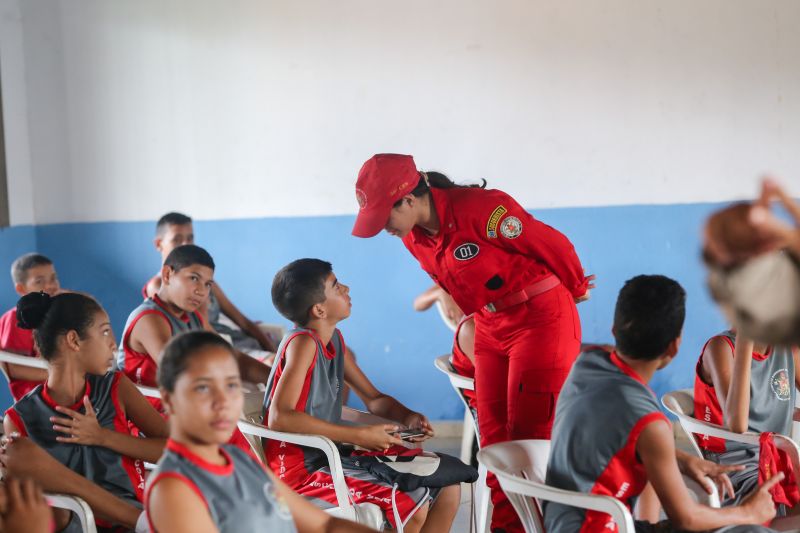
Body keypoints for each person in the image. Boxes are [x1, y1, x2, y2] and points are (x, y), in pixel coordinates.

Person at [352, 153, 593, 533]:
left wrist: (575, 288)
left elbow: (551, 243)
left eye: (386, 217)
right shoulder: (413, 237)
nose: (384, 228)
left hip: (540, 318)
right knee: (495, 443)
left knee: (530, 438)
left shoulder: (482, 209)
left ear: (409, 200)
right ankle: (505, 528)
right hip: (492, 324)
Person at [545, 275, 785, 533]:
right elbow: (687, 519)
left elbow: (622, 438)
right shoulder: (651, 423)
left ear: (615, 329)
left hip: (561, 520)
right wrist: (749, 512)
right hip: (599, 526)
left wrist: (681, 458)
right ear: (674, 347)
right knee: (752, 530)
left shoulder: (586, 359)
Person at [263, 259, 465, 532]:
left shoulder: (334, 340)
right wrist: (358, 436)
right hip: (301, 469)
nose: (346, 288)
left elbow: (374, 399)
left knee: (448, 485)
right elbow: (279, 418)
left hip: (334, 453)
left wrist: (407, 416)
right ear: (319, 309)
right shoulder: (302, 343)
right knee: (408, 500)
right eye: (336, 286)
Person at [145, 330, 375, 533]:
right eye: (203, 388)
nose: (223, 401)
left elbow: (325, 525)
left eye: (231, 385)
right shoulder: (173, 488)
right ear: (169, 399)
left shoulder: (237, 460)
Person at [2, 291, 168, 531]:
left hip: (139, 524)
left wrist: (103, 437)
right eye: (104, 331)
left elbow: (173, 452)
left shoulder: (117, 387)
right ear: (74, 340)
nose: (113, 343)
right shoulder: (20, 418)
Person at [118, 244, 270, 410]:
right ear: (167, 274)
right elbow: (180, 374)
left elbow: (233, 357)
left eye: (207, 284)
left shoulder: (194, 316)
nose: (202, 291)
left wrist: (275, 380)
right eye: (194, 278)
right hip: (146, 416)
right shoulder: (149, 318)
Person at [143, 212, 277, 356]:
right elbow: (197, 330)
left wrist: (270, 347)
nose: (185, 244)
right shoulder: (158, 288)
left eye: (190, 238)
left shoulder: (207, 281)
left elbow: (242, 320)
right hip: (213, 348)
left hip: (235, 341)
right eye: (177, 239)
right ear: (159, 244)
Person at [694, 329, 799, 506]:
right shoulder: (721, 347)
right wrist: (746, 340)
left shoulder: (787, 347)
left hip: (779, 457)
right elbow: (737, 425)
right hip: (736, 461)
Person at [0, 253, 60, 400]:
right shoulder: (15, 317)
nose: (51, 286)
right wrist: (60, 374)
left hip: (62, 387)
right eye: (39, 281)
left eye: (53, 278)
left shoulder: (58, 313)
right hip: (34, 397)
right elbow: (15, 368)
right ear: (21, 289)